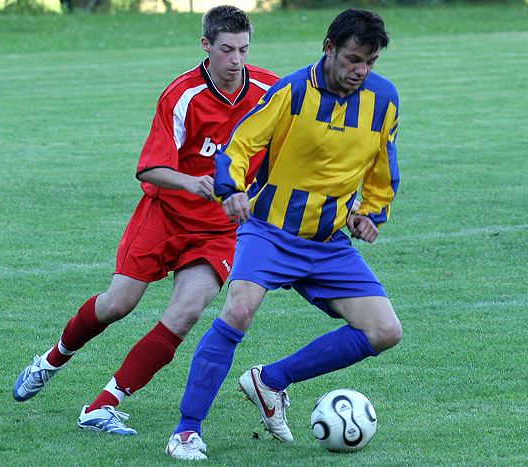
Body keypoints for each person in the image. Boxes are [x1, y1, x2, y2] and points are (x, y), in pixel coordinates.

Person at [12, 4, 279, 437]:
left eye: (243, 50)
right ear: (206, 45)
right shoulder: (182, 95)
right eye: (226, 50)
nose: (236, 60)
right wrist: (192, 183)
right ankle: (52, 359)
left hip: (220, 229)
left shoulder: (271, 90)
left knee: (186, 313)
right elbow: (149, 168)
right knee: (117, 305)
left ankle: (103, 406)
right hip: (166, 215)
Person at [165, 9, 402, 460]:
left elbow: (382, 165)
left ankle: (270, 380)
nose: (361, 71)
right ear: (329, 48)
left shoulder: (383, 98)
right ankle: (187, 431)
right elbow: (240, 144)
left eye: (369, 62)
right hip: (270, 231)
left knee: (385, 330)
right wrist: (232, 188)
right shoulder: (292, 91)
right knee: (238, 310)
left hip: (328, 242)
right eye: (353, 59)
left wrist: (370, 213)